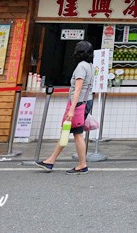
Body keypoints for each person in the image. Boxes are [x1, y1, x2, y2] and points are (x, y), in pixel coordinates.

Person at [36, 40, 94, 174]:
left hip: (78, 104)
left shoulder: (81, 67)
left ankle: (81, 164)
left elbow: (78, 89)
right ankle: (51, 161)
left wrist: (72, 110)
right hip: (85, 102)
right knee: (68, 132)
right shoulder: (90, 66)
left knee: (75, 134)